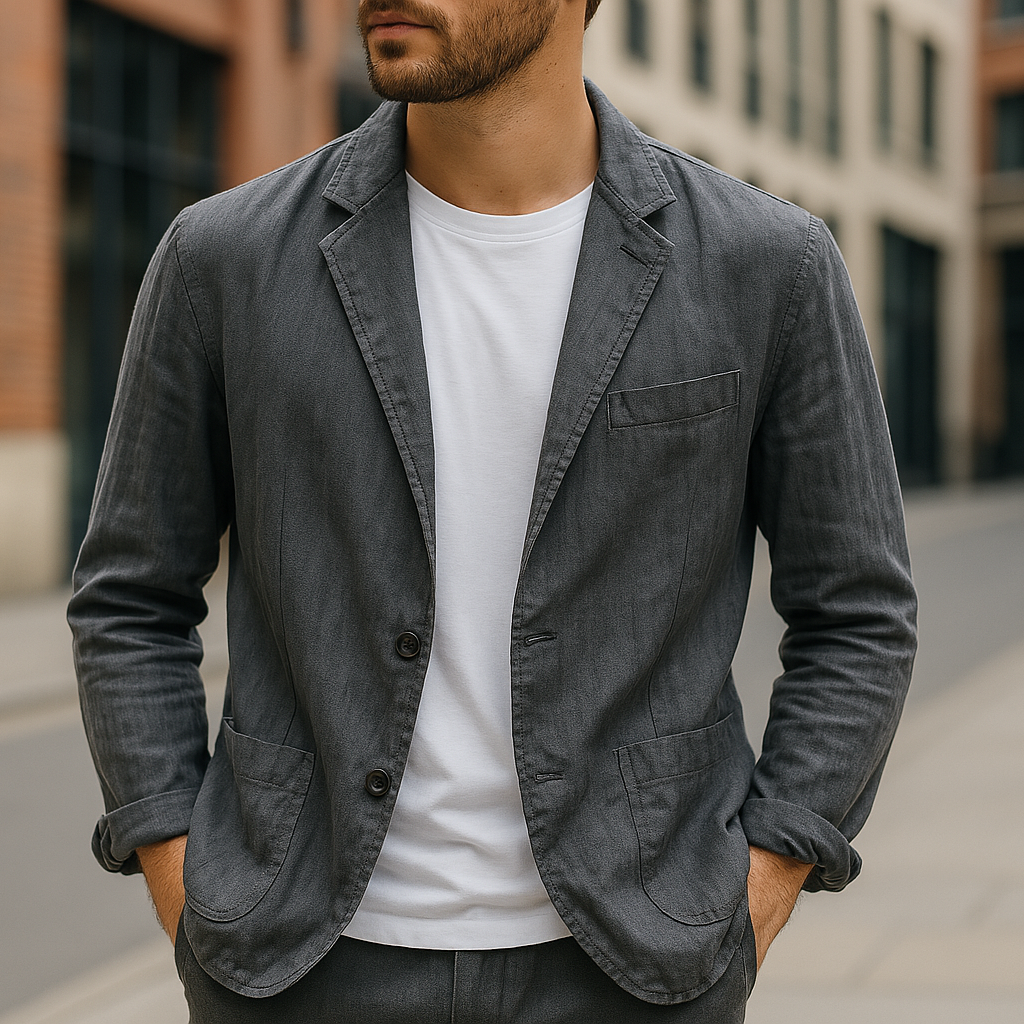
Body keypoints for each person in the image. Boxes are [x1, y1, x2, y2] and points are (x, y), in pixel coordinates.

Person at [68, 0, 917, 1020]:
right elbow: (129, 598)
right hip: (296, 963)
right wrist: (181, 876)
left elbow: (858, 614)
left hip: (635, 965)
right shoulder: (224, 261)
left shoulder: (764, 266)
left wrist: (759, 889)